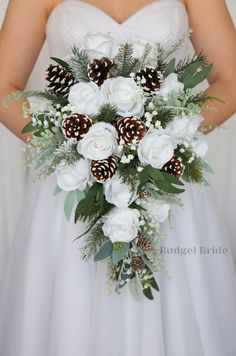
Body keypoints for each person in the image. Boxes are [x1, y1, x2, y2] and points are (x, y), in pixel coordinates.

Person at [0, 0, 236, 355]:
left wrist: (169, 135)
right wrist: (70, 143)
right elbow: (4, 83)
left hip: (164, 175)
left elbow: (231, 79)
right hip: (72, 181)